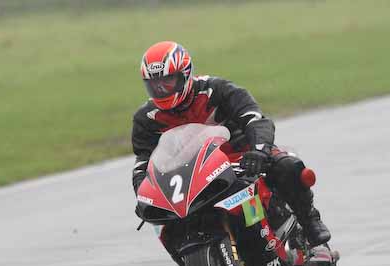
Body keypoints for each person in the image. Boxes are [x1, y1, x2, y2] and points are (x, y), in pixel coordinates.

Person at [131, 41, 330, 247]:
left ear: (185, 75)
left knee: (287, 166)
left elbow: (255, 120)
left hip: (240, 157)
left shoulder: (217, 90)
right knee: (164, 222)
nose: (161, 89)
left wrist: (259, 151)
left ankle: (310, 221)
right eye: (154, 84)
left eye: (168, 81)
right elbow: (144, 161)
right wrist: (144, 194)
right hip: (192, 176)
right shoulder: (146, 118)